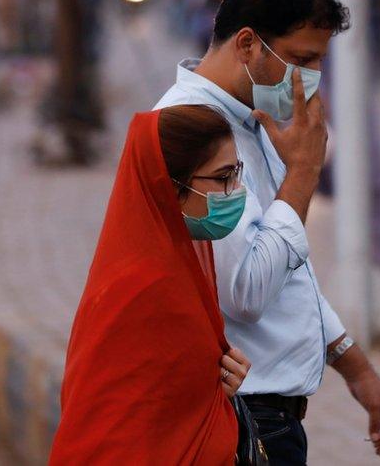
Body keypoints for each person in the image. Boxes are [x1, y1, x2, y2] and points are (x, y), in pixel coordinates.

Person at [154, 0, 380, 463]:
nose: (311, 78)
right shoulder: (193, 128)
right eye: (301, 59)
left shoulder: (249, 119)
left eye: (318, 63)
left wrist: (354, 366)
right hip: (243, 415)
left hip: (272, 414)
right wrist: (304, 174)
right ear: (247, 44)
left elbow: (288, 265)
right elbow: (246, 292)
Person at [50, 105, 252, 464]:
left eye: (236, 173)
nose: (234, 191)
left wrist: (216, 382)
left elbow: (169, 395)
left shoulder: (177, 267)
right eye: (222, 178)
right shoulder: (143, 288)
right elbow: (113, 432)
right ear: (171, 188)